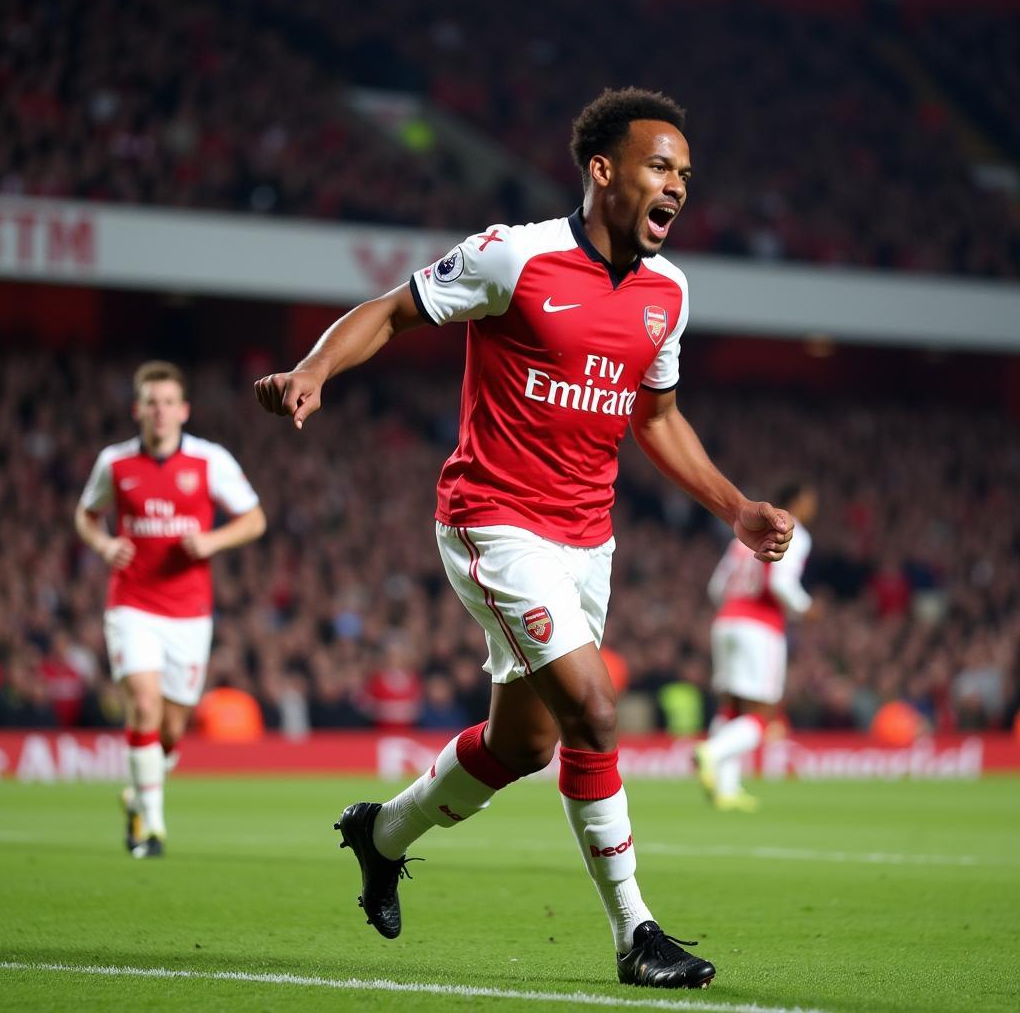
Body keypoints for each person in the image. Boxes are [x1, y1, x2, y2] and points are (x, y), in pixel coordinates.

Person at [255, 87, 793, 990]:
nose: (678, 187)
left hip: (588, 542)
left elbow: (655, 418)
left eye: (686, 175)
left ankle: (380, 835)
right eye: (661, 166)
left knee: (526, 748)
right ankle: (636, 934)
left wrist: (733, 506)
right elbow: (392, 310)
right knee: (595, 710)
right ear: (603, 170)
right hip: (492, 521)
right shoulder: (517, 256)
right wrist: (314, 370)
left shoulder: (669, 292)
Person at [75, 361, 266, 857]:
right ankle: (151, 824)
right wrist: (101, 545)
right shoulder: (114, 463)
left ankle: (137, 794)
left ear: (183, 410)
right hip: (131, 604)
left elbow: (254, 520)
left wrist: (211, 541)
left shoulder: (209, 461)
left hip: (189, 612)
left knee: (173, 728)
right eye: (150, 403)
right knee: (143, 703)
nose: (159, 412)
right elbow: (85, 515)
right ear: (137, 409)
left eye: (168, 403)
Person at [695, 482, 817, 811]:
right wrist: (806, 608)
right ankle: (713, 751)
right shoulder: (794, 531)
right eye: (810, 501)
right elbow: (781, 583)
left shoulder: (744, 537)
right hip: (760, 628)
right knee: (763, 715)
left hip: (726, 622)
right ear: (796, 501)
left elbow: (716, 587)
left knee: (731, 708)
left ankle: (726, 788)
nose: (813, 508)